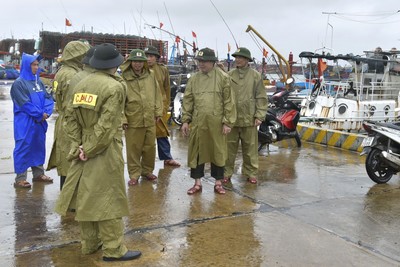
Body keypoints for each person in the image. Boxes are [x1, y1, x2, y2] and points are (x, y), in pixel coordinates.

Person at [55, 43, 141, 262]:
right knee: (109, 199)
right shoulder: (114, 87)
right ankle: (114, 249)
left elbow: (69, 118)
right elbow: (107, 125)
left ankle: (90, 243)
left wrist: (78, 145)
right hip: (103, 150)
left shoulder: (80, 83)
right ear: (114, 64)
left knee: (86, 197)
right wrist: (90, 149)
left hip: (83, 145)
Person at [181, 47, 236, 195]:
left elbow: (229, 102)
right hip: (199, 122)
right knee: (196, 152)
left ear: (212, 62)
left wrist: (227, 122)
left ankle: (218, 183)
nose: (201, 64)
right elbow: (188, 100)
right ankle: (197, 183)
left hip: (217, 123)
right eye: (199, 61)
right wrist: (186, 120)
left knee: (217, 152)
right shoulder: (194, 79)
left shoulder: (223, 78)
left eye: (204, 61)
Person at [47, 40, 90, 190]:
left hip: (64, 120)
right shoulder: (73, 75)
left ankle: (68, 196)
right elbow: (75, 103)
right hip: (71, 122)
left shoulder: (62, 71)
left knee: (67, 159)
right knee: (72, 160)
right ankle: (70, 201)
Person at [223, 47, 268, 185]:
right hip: (232, 119)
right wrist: (225, 118)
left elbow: (261, 97)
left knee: (250, 149)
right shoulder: (229, 75)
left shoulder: (255, 76)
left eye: (240, 57)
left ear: (247, 60)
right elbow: (224, 97)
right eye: (236, 57)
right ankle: (226, 173)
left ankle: (251, 173)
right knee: (228, 150)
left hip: (249, 119)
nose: (238, 60)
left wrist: (260, 115)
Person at [10, 53, 54, 188]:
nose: (36, 67)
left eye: (37, 64)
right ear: (26, 66)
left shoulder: (38, 82)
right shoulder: (19, 84)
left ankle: (38, 174)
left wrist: (47, 112)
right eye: (34, 65)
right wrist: (40, 114)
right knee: (23, 146)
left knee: (38, 146)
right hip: (25, 122)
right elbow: (24, 104)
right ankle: (20, 178)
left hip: (39, 122)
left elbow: (48, 98)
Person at [121, 49, 163, 186]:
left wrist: (158, 112)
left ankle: (147, 171)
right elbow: (120, 101)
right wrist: (123, 118)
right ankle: (134, 174)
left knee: (150, 147)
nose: (137, 64)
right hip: (133, 118)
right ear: (130, 62)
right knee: (133, 149)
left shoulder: (150, 75)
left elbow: (157, 94)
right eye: (135, 61)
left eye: (140, 62)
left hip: (150, 117)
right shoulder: (124, 78)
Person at [144, 45, 181, 167]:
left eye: (151, 56)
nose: (148, 59)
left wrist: (166, 105)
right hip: (144, 106)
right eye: (146, 56)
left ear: (156, 58)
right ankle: (143, 163)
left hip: (160, 106)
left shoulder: (162, 70)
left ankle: (167, 158)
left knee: (162, 133)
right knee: (143, 135)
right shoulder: (139, 69)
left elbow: (166, 88)